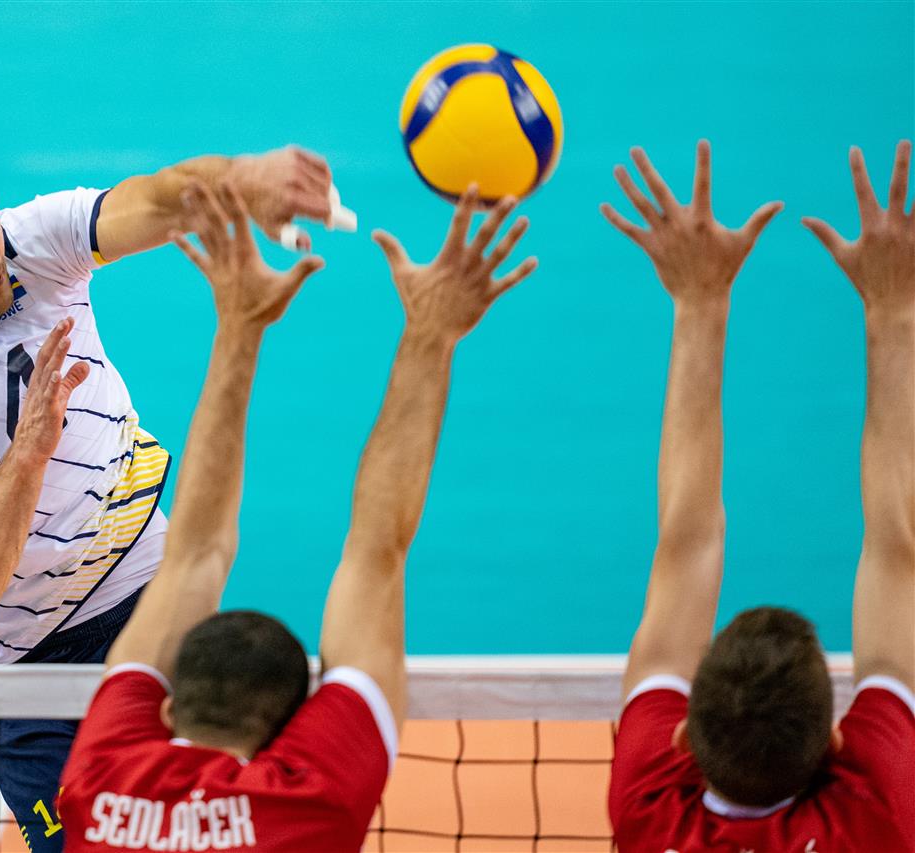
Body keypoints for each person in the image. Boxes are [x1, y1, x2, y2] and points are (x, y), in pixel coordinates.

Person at [0, 115, 336, 852]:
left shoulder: (32, 245)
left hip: (156, 601)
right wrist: (27, 457)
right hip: (28, 677)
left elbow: (161, 197)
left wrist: (245, 179)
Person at [54, 181, 536, 851]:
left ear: (166, 708)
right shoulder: (313, 802)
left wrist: (239, 327)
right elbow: (376, 554)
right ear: (289, 733)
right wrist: (431, 333)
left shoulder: (98, 784)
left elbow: (195, 553)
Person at [604, 140, 914, 852]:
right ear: (837, 743)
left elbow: (686, 544)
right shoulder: (879, 819)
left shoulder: (650, 814)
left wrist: (700, 302)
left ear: (682, 738)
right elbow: (897, 550)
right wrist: (894, 310)